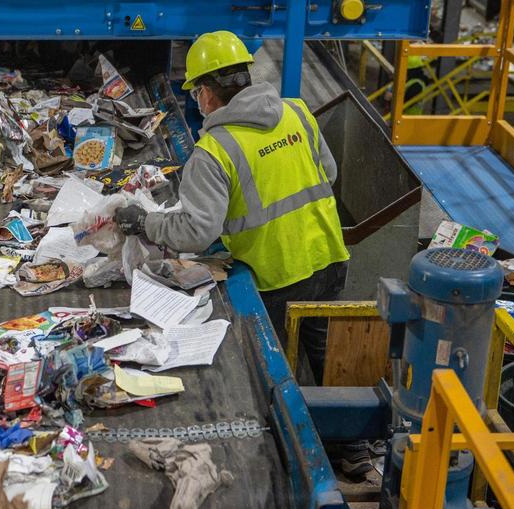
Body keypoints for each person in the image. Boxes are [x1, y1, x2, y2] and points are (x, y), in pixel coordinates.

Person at [115, 32, 366, 477]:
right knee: (329, 357)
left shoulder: (214, 152)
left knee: (278, 376)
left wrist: (145, 222)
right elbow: (328, 172)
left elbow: (196, 231)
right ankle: (354, 450)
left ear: (207, 92)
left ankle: (294, 465)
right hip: (329, 256)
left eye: (196, 92)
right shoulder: (297, 112)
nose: (197, 101)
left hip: (276, 276)